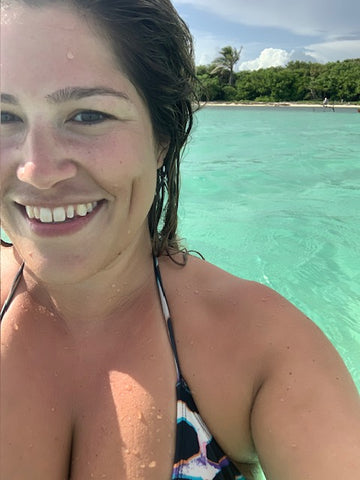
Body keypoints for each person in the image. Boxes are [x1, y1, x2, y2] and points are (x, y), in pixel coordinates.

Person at [1, 1, 359, 479]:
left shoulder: (265, 352)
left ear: (163, 135)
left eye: (87, 115)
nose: (37, 171)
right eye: (3, 116)